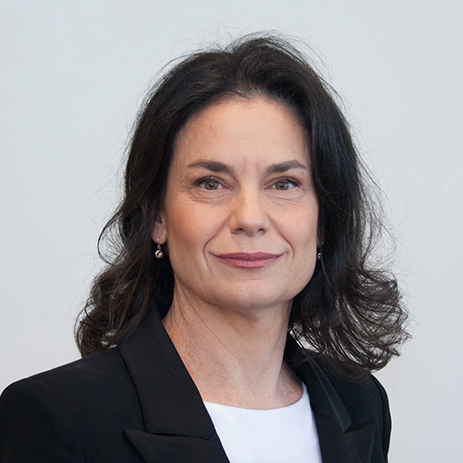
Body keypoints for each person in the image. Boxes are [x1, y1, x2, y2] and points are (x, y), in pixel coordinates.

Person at [0, 34, 408, 463]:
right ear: (157, 217)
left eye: (284, 183)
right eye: (211, 183)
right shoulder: (58, 417)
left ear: (324, 220)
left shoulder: (360, 402)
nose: (249, 218)